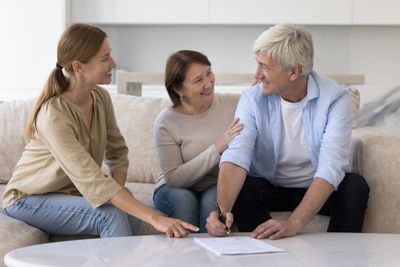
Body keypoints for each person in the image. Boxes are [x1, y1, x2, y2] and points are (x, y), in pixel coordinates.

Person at [2, 23, 198, 238]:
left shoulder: (100, 98)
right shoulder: (53, 115)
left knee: (129, 212)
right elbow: (90, 179)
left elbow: (118, 152)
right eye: (104, 58)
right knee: (112, 213)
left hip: (71, 195)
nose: (113, 63)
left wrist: (118, 188)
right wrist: (155, 218)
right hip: (28, 199)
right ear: (79, 67)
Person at [206, 24, 370, 239]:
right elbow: (237, 155)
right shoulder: (252, 98)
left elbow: (331, 167)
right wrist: (221, 211)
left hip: (316, 185)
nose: (257, 75)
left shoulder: (336, 99)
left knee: (355, 186)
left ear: (294, 71)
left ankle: (338, 256)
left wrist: (293, 224)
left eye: (264, 67)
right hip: (272, 187)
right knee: (244, 186)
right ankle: (264, 249)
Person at [153, 50, 243, 232]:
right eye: (198, 80)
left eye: (209, 73)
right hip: (174, 188)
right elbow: (174, 178)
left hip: (214, 184)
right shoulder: (166, 122)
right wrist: (217, 147)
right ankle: (185, 259)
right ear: (178, 89)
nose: (208, 83)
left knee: (213, 205)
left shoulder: (234, 104)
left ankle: (210, 259)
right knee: (184, 200)